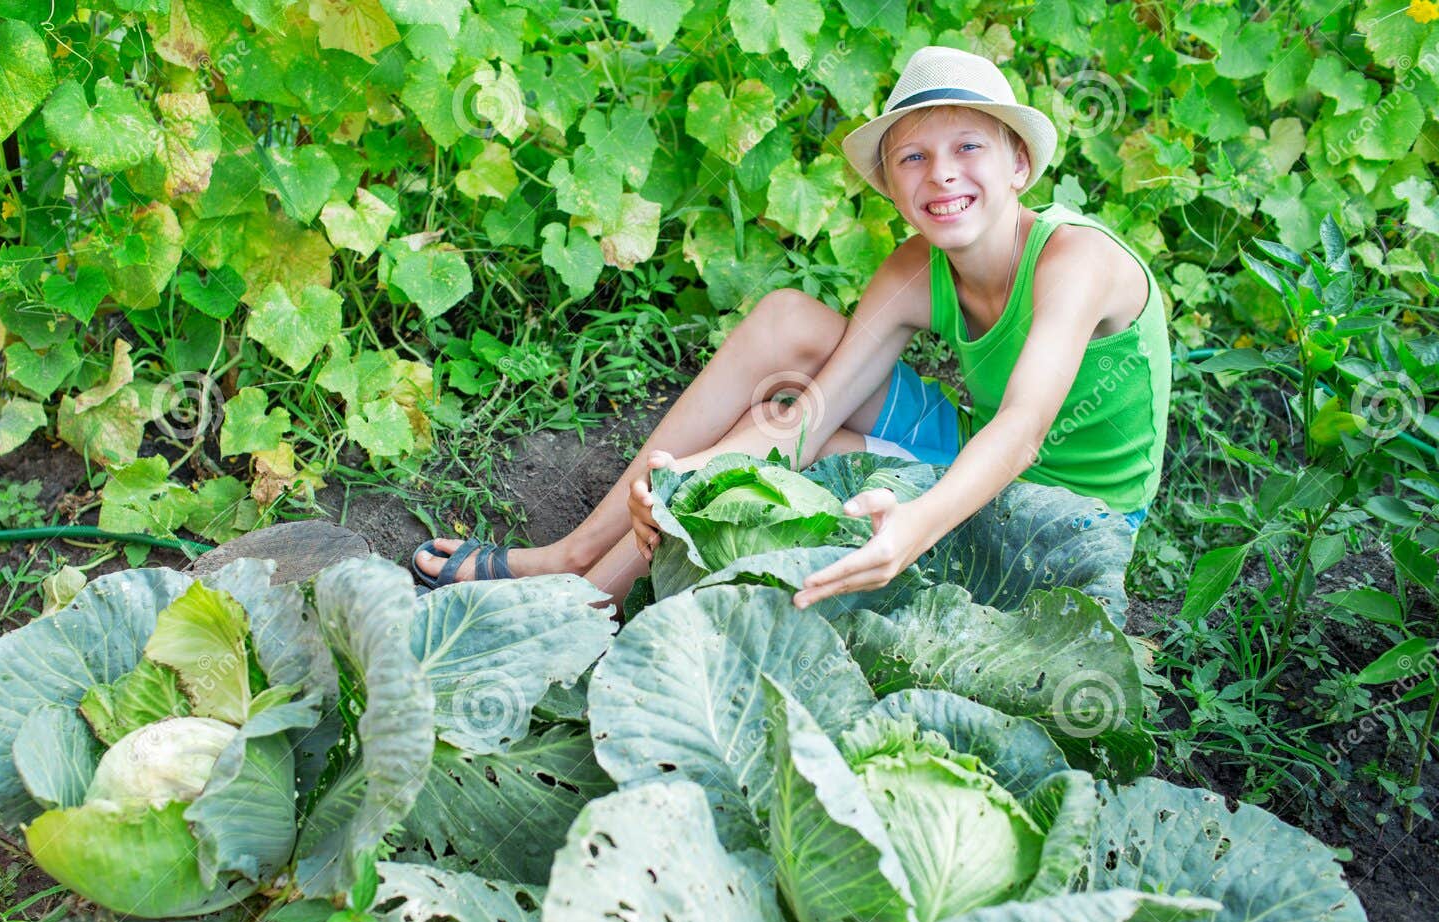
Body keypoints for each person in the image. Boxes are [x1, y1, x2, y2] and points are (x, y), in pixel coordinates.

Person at [410, 46, 1170, 613]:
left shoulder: (1076, 261)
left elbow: (1022, 428)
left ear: (1019, 165)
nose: (941, 174)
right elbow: (811, 410)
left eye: (969, 147)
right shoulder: (917, 267)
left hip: (1067, 520)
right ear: (893, 186)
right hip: (969, 444)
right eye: (914, 156)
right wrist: (677, 481)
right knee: (787, 331)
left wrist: (916, 524)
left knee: (821, 461)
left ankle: (588, 602)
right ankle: (573, 556)